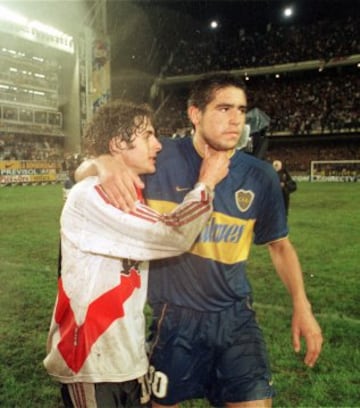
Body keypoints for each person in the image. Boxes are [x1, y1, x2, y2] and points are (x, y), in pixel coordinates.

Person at [76, 73, 323, 408]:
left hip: (235, 318)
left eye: (241, 109)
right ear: (195, 114)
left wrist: (301, 305)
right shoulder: (158, 159)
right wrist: (101, 163)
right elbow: (82, 176)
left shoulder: (260, 175)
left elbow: (280, 246)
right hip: (174, 320)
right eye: (223, 108)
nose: (236, 118)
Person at [43, 99, 230, 408]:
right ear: (118, 142)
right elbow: (174, 234)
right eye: (148, 136)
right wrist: (207, 182)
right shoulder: (90, 195)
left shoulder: (129, 190)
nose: (157, 144)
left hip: (127, 360)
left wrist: (99, 161)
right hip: (90, 363)